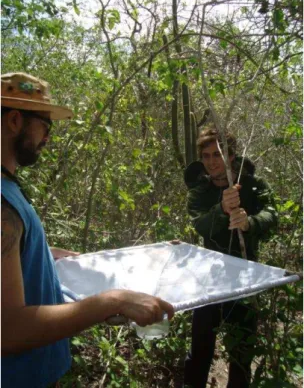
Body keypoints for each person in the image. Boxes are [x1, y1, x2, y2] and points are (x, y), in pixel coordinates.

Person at [1, 72, 174, 388]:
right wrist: (112, 301)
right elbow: (7, 331)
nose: (48, 138)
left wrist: (47, 256)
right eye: (45, 126)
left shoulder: (7, 187)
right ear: (15, 121)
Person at [183, 126, 277, 388]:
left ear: (231, 156)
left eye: (218, 155)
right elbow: (202, 225)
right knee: (200, 349)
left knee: (241, 355)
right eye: (206, 156)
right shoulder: (198, 192)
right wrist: (222, 208)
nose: (212, 162)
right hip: (207, 280)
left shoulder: (255, 186)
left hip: (245, 277)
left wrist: (250, 223)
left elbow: (272, 216)